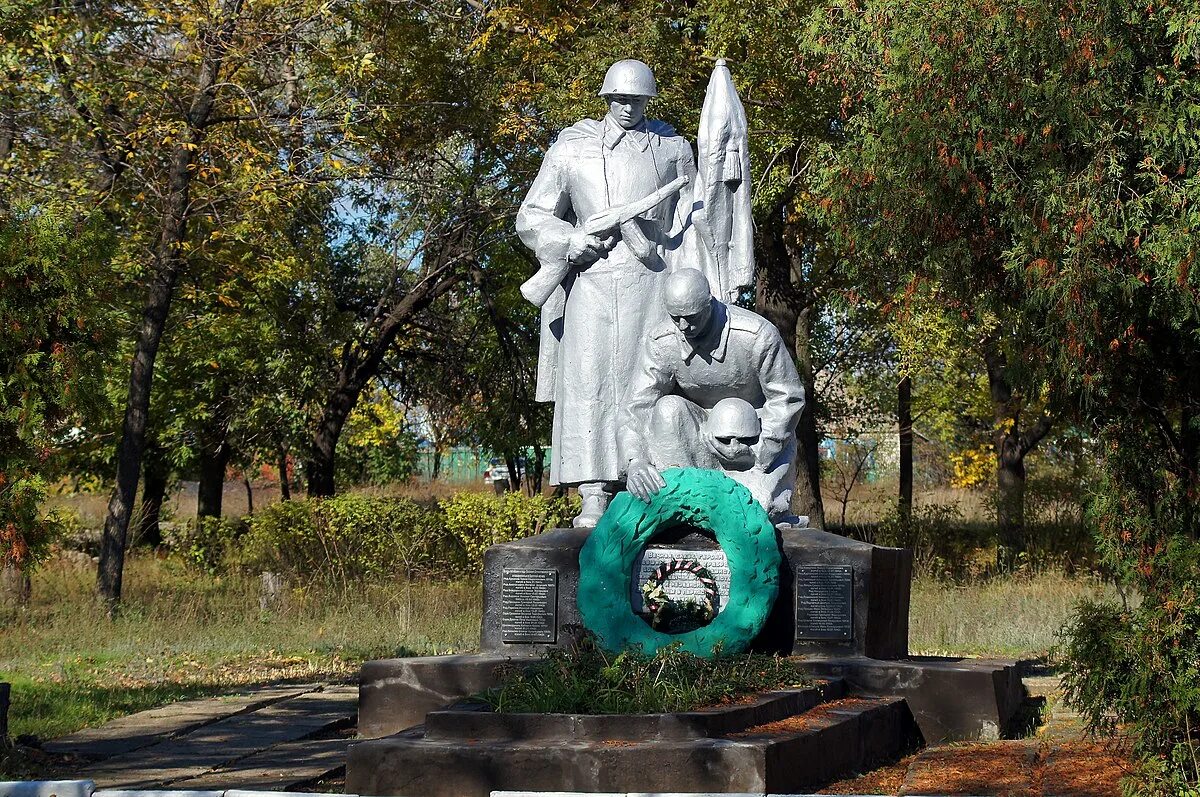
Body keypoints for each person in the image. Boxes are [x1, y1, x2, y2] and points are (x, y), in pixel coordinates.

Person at [516, 59, 701, 526]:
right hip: (590, 284)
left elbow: (694, 218)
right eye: (619, 99)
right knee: (589, 380)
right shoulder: (570, 147)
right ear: (605, 99)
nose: (627, 107)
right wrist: (569, 241)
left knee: (649, 378)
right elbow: (532, 217)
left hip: (652, 281)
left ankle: (652, 485)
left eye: (636, 100)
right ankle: (593, 490)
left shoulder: (673, 149)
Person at [619, 269, 805, 524]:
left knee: (749, 512)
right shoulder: (661, 341)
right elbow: (637, 406)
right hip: (698, 440)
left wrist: (759, 452)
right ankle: (682, 497)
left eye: (692, 317)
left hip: (755, 444)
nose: (684, 327)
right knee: (667, 408)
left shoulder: (756, 335)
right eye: (676, 318)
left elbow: (788, 398)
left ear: (710, 302)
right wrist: (636, 460)